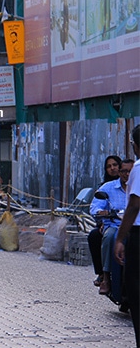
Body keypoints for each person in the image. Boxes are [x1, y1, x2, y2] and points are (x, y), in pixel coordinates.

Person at [90, 159, 133, 295]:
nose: (127, 174)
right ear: (119, 172)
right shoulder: (108, 188)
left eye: (130, 171)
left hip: (135, 227)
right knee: (109, 237)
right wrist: (102, 213)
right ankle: (106, 277)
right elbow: (95, 207)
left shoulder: (137, 187)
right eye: (124, 171)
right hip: (115, 225)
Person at [115, 125, 140, 347]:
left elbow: (133, 206)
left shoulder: (139, 168)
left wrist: (120, 238)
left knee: (136, 288)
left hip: (139, 235)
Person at [88, 155, 121, 287]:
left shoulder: (133, 186)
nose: (112, 168)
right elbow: (96, 208)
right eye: (109, 166)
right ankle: (103, 274)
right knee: (95, 236)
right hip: (110, 224)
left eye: (115, 165)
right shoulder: (105, 188)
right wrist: (101, 221)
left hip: (130, 225)